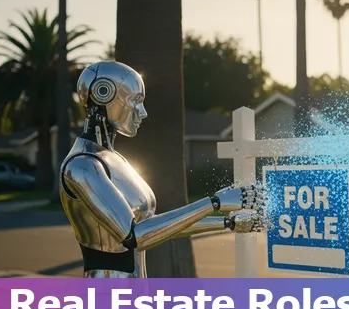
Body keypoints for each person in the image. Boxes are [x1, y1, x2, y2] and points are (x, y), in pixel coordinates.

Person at [60, 60, 268, 279]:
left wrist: (228, 222)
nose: (143, 112)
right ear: (104, 93)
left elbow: (155, 225)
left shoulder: (113, 159)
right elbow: (134, 236)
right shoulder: (82, 166)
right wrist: (215, 203)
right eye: (135, 100)